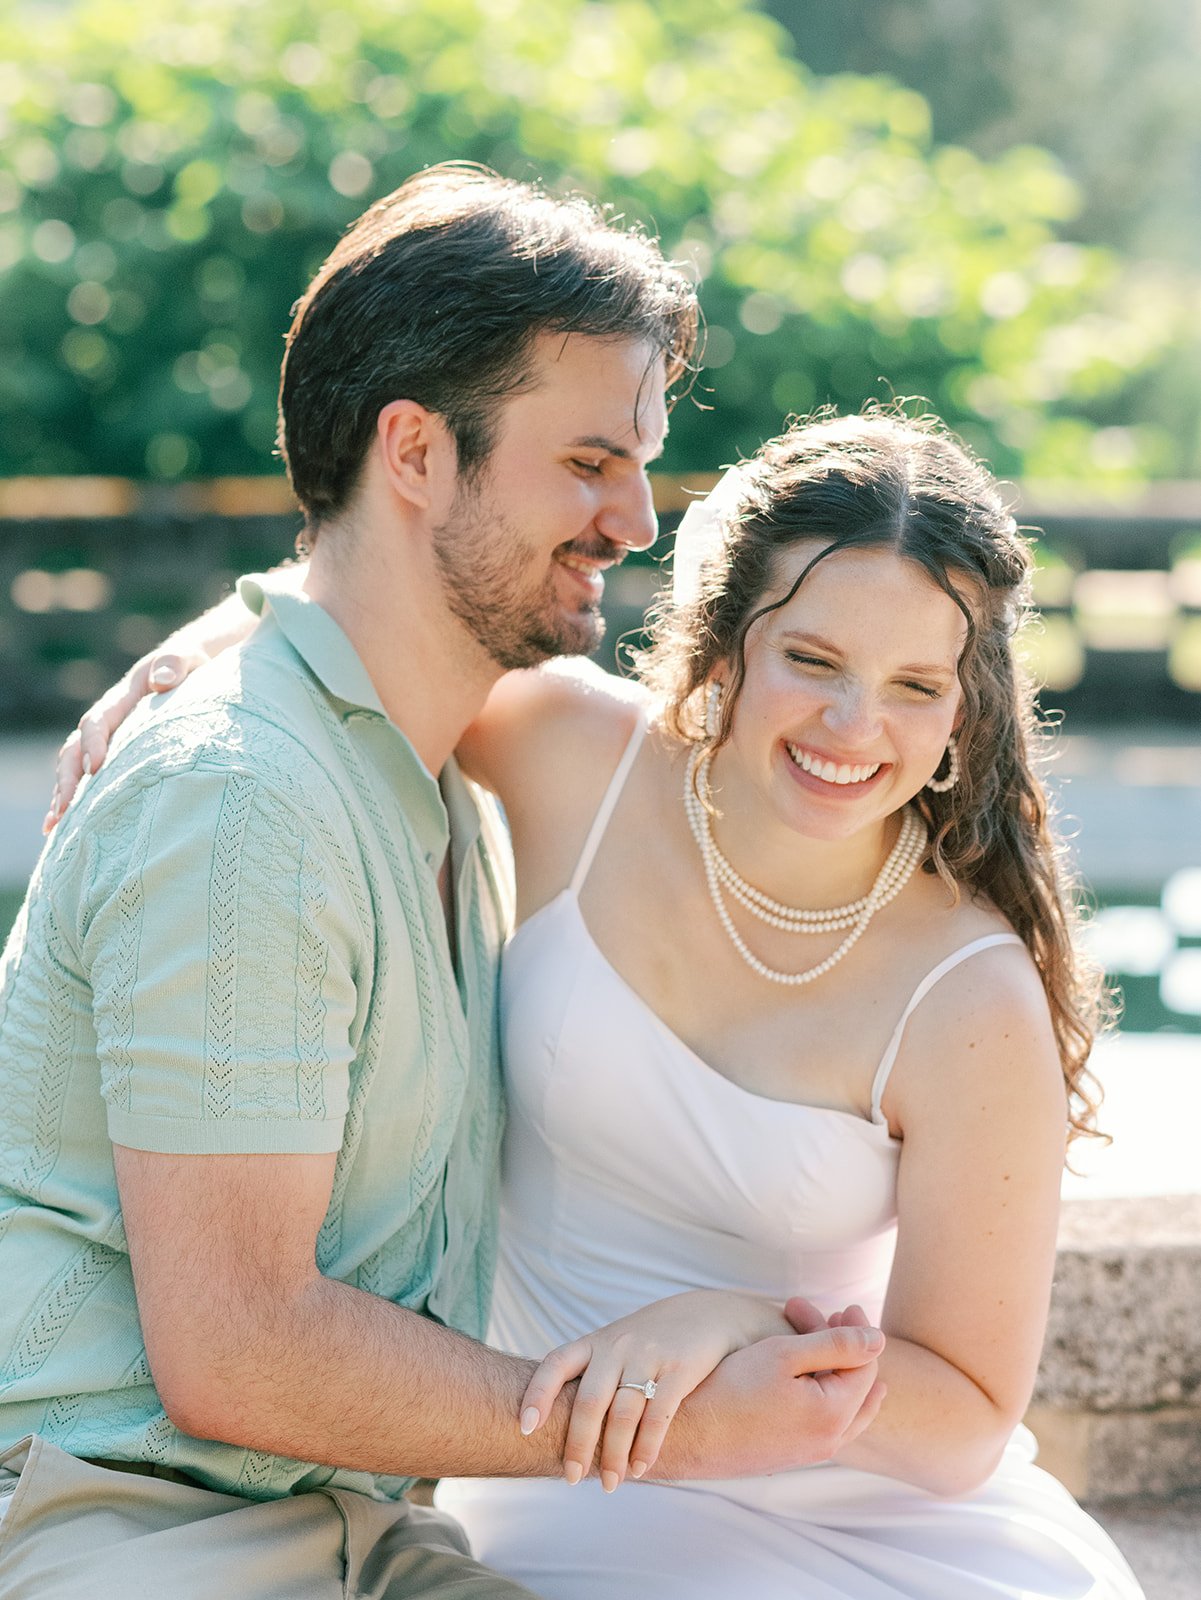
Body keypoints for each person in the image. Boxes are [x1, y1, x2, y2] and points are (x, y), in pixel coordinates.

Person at [55, 407, 1145, 1598]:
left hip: (852, 1510)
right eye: (814, 660)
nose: (852, 726)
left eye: (913, 686)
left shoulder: (968, 994)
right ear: (723, 648)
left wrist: (731, 1324)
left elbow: (966, 1418)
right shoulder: (573, 751)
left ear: (959, 719)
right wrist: (200, 651)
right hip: (539, 1478)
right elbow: (368, 623)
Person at [0, 166, 892, 1600]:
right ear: (413, 452)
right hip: (123, 1531)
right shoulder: (240, 803)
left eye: (643, 463)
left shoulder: (445, 772)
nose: (637, 521)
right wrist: (657, 1429)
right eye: (591, 462)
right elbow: (238, 1347)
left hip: (358, 1534)